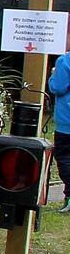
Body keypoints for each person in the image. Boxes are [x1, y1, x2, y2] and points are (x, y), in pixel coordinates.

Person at [52, 52, 70, 214]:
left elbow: (58, 87)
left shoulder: (65, 60)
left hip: (66, 121)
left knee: (65, 157)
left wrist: (52, 76)